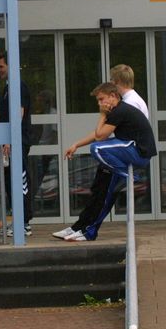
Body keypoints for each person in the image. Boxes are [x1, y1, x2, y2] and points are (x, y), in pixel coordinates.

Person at [55, 64, 150, 240]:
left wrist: (101, 117)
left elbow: (101, 135)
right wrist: (77, 144)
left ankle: (88, 230)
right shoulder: (128, 101)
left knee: (104, 195)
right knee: (98, 191)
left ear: (116, 83)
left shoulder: (128, 103)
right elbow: (103, 133)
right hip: (117, 152)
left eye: (111, 80)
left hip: (122, 154)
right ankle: (80, 227)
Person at [0, 53, 33, 236]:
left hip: (17, 142)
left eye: (1, 66)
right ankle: (17, 220)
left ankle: (24, 223)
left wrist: (11, 140)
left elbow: (19, 114)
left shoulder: (19, 86)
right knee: (11, 181)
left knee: (20, 180)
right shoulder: (8, 88)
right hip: (9, 143)